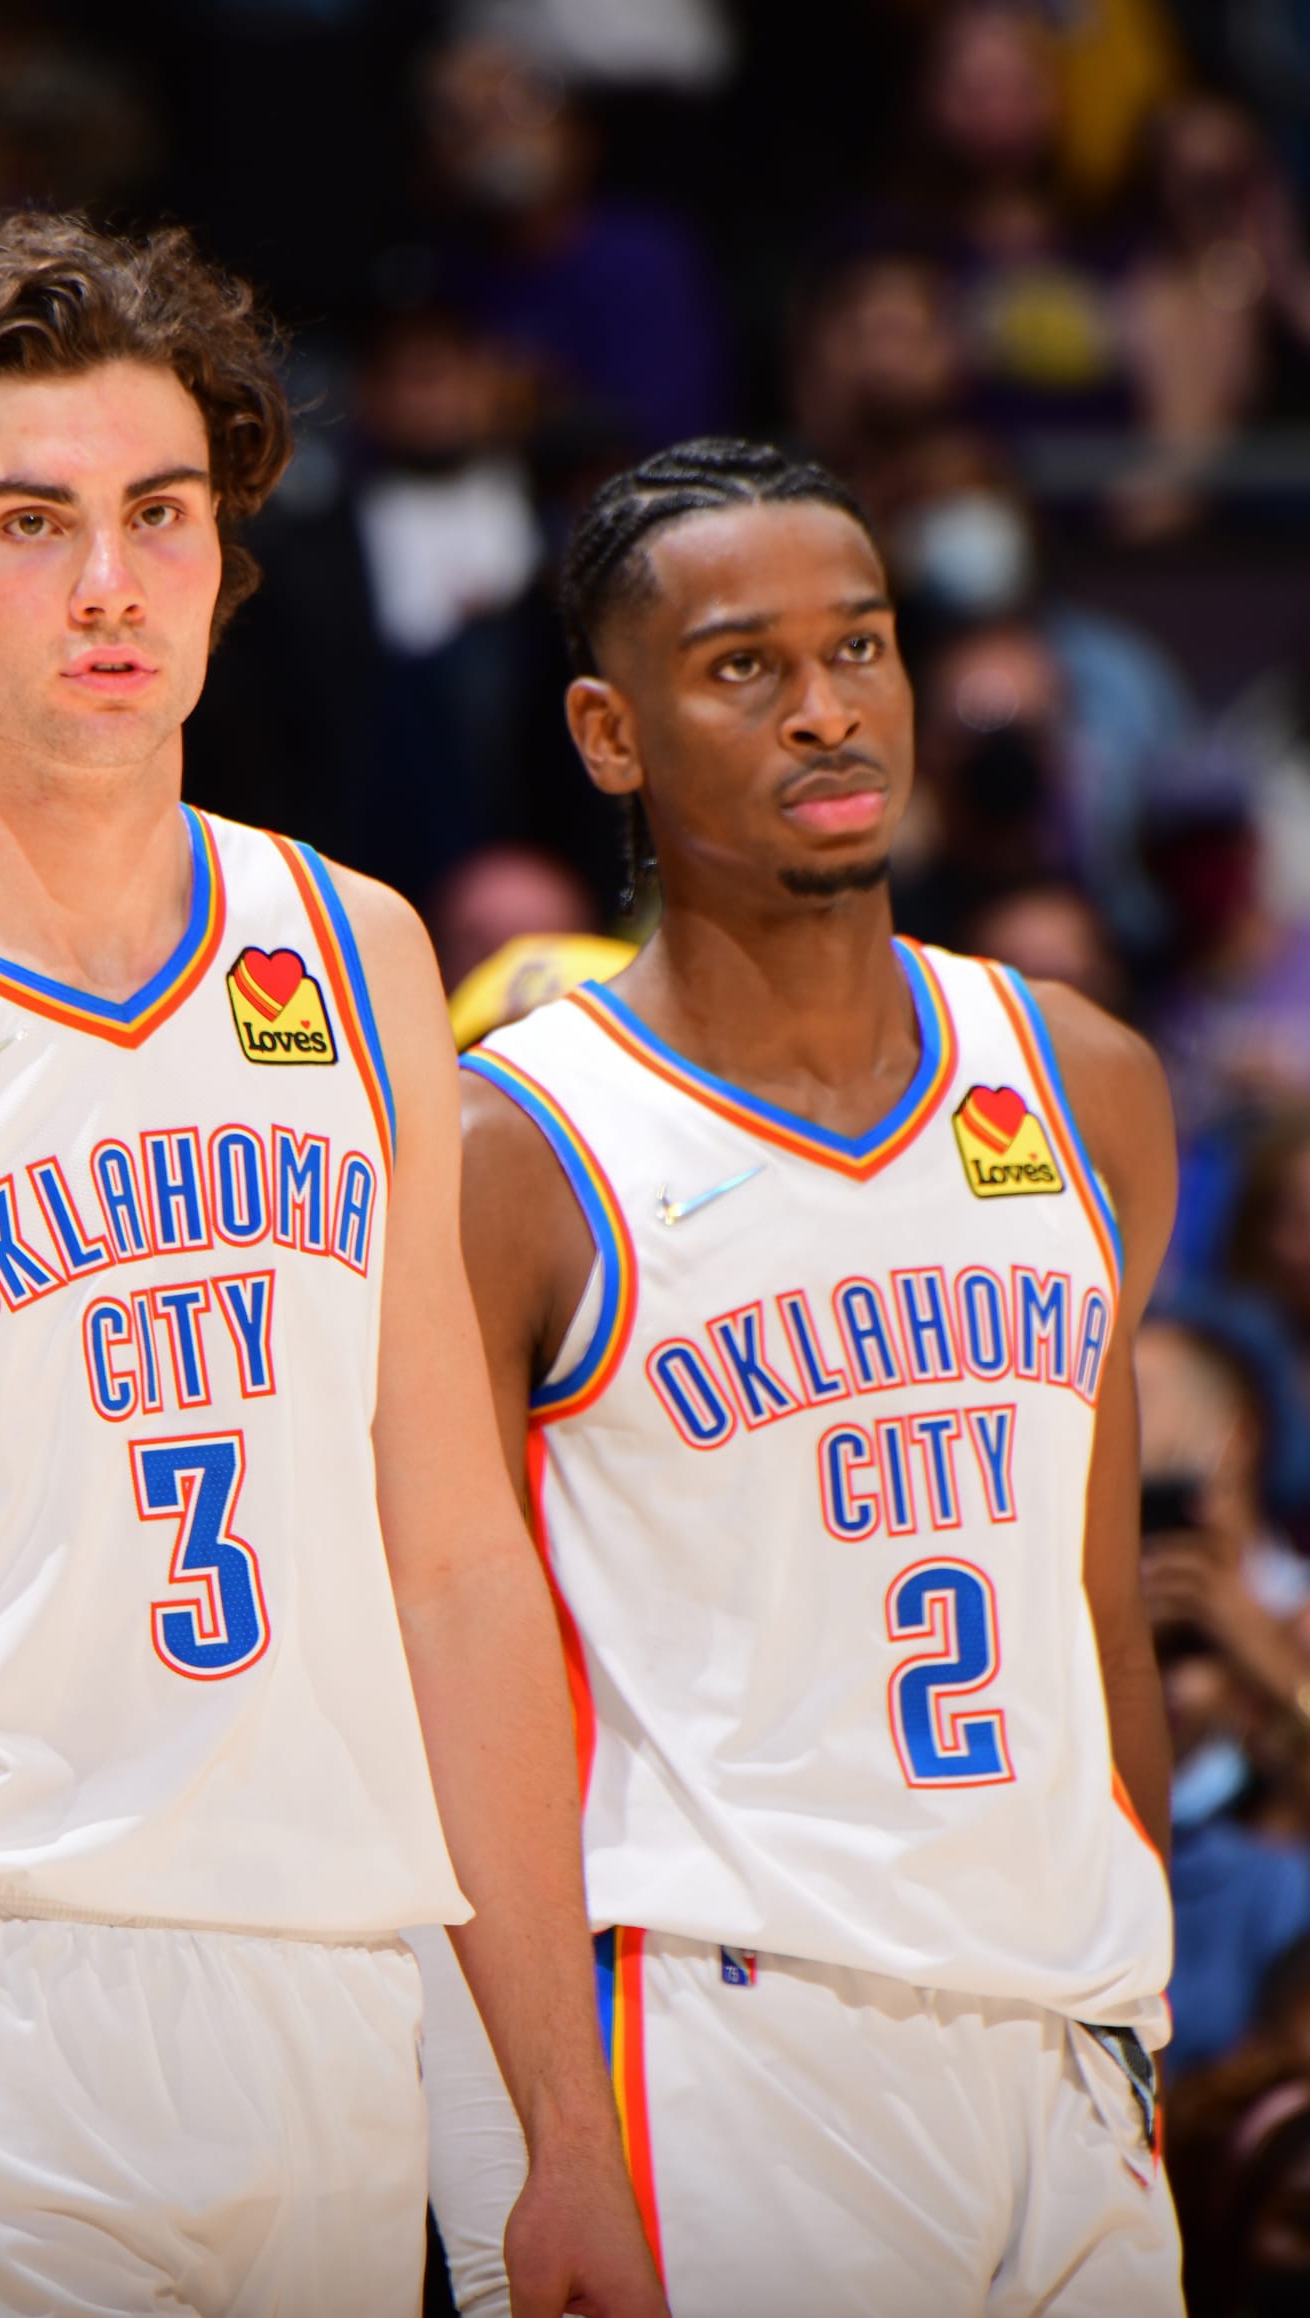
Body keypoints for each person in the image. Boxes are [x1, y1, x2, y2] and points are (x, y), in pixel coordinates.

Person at [0, 213, 662, 2318]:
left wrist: (563, 2129)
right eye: (31, 519)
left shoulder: (357, 955)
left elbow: (452, 1568)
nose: (107, 584)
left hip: (335, 2012)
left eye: (162, 513)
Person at [431, 437, 1182, 2312]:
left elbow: (1092, 1609)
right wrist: (525, 2139)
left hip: (1064, 2037)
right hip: (711, 2036)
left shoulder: (1081, 1078)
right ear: (611, 733)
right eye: (744, 668)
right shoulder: (509, 1146)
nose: (828, 711)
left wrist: (1137, 2001)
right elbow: (442, 1667)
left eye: (860, 648)